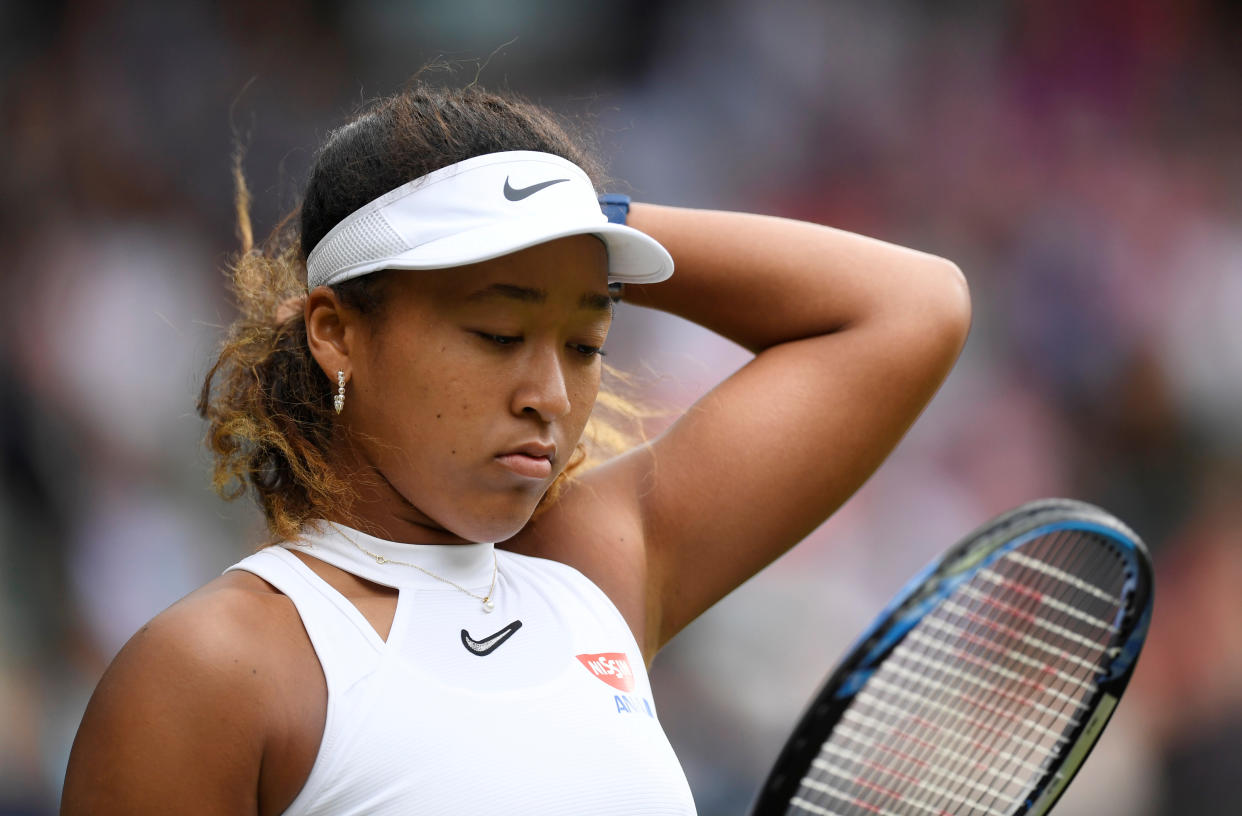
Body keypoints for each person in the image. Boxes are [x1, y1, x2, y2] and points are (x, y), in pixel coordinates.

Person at [60, 84, 971, 815]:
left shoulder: (594, 574)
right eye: (499, 334)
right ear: (336, 331)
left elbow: (915, 305)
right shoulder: (209, 672)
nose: (554, 395)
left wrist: (574, 222)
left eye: (586, 343)